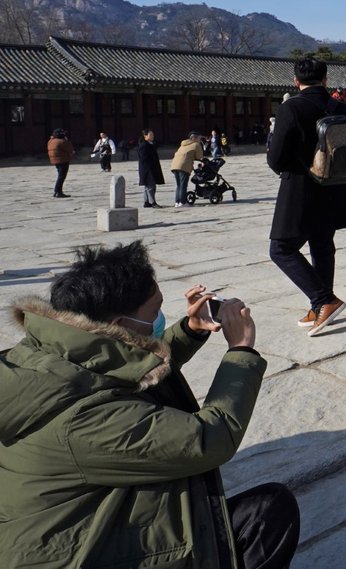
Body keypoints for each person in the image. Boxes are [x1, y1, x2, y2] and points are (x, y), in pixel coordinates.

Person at [0, 241, 299, 568]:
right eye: (154, 310)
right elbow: (209, 439)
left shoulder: (52, 351)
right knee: (269, 514)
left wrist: (190, 330)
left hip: (50, 529)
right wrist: (241, 350)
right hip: (76, 556)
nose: (160, 316)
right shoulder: (84, 419)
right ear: (119, 324)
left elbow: (122, 364)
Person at [267, 58, 346, 336]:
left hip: (301, 186)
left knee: (281, 248)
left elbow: (276, 157)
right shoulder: (339, 107)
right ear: (325, 79)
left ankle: (324, 300)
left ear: (296, 81)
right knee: (321, 244)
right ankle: (320, 306)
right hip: (335, 184)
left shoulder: (291, 107)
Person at [170, 131, 203, 207]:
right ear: (194, 138)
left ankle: (177, 202)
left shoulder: (183, 144)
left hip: (175, 165)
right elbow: (199, 157)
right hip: (184, 166)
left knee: (179, 185)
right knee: (183, 185)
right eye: (199, 138)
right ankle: (182, 202)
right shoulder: (196, 145)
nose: (200, 140)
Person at [137, 128, 164, 208]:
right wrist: (149, 167)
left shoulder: (149, 144)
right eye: (150, 135)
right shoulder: (144, 145)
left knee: (147, 186)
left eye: (153, 134)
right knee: (151, 186)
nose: (152, 136)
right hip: (148, 169)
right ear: (145, 136)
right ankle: (153, 202)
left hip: (150, 168)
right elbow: (144, 159)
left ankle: (147, 202)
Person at [47, 128, 73, 198]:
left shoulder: (50, 141)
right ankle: (58, 192)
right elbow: (70, 149)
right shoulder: (62, 142)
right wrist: (67, 141)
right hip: (63, 160)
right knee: (61, 177)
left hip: (55, 161)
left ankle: (56, 192)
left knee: (60, 176)